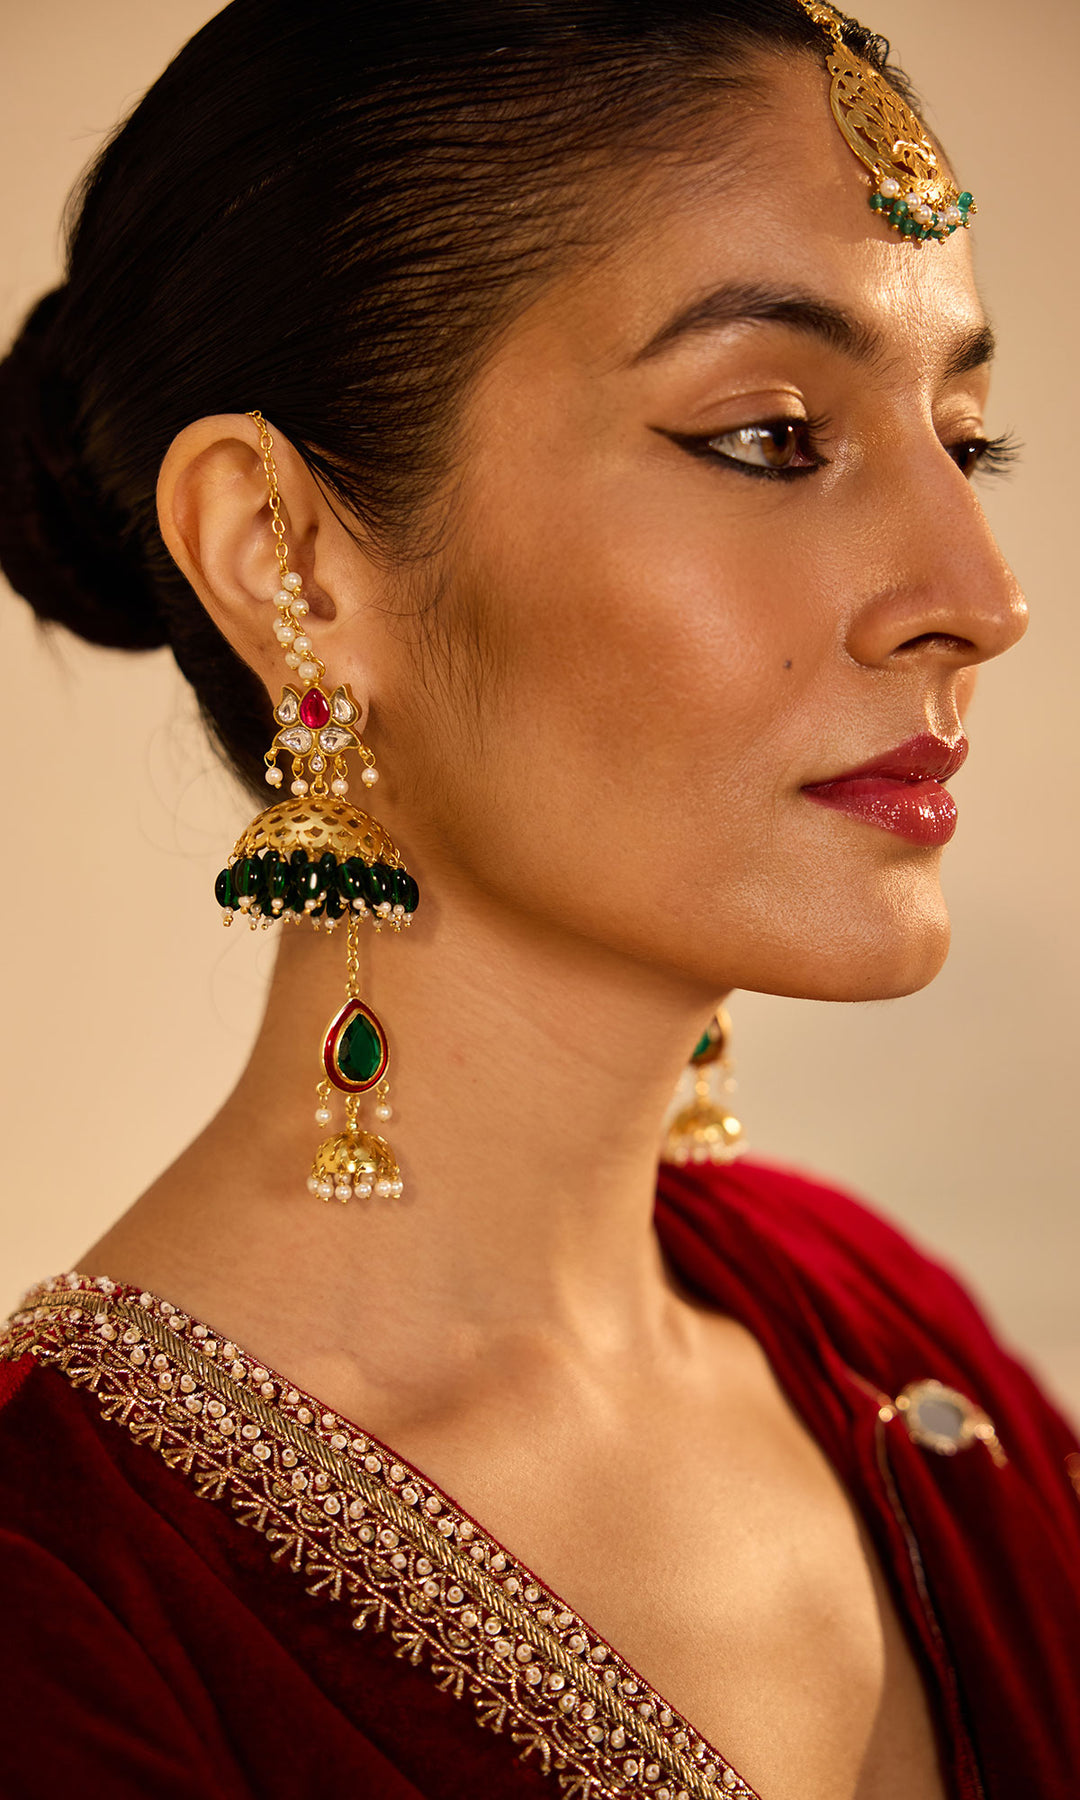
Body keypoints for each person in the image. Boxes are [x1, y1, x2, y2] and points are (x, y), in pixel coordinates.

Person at [0, 1, 1077, 1795]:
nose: (981, 594)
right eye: (771, 435)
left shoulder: (881, 1332)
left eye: (965, 441)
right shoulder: (66, 1601)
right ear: (287, 558)